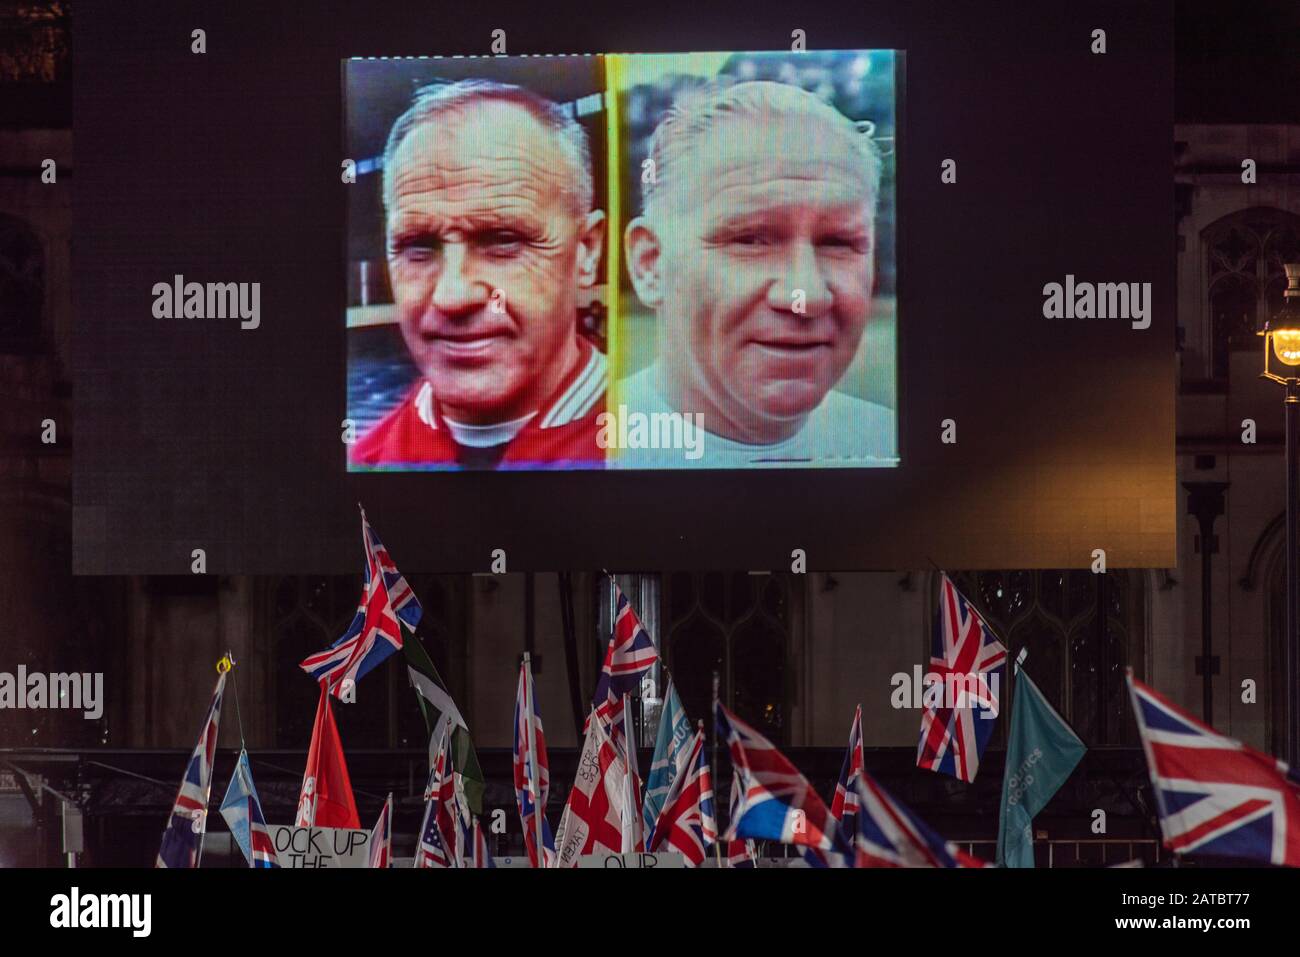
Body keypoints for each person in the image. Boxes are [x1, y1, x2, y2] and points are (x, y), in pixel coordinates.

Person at [616, 80, 896, 468]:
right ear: (651, 264)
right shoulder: (567, 458)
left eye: (838, 242)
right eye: (751, 239)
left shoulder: (886, 442)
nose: (807, 295)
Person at [350, 79, 608, 469]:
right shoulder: (364, 465)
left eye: (503, 240)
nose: (452, 296)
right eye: (418, 246)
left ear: (587, 251)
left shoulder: (670, 452)